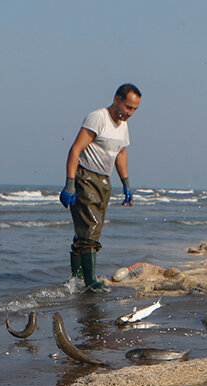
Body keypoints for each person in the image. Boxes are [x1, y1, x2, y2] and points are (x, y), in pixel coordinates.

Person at [59, 83, 141, 292]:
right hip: (85, 177)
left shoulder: (123, 125)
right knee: (91, 228)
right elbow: (75, 149)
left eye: (134, 109)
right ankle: (89, 281)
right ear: (116, 100)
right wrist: (70, 184)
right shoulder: (98, 118)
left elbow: (120, 153)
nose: (130, 113)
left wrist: (126, 185)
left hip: (104, 180)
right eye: (128, 107)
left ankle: (76, 281)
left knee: (84, 231)